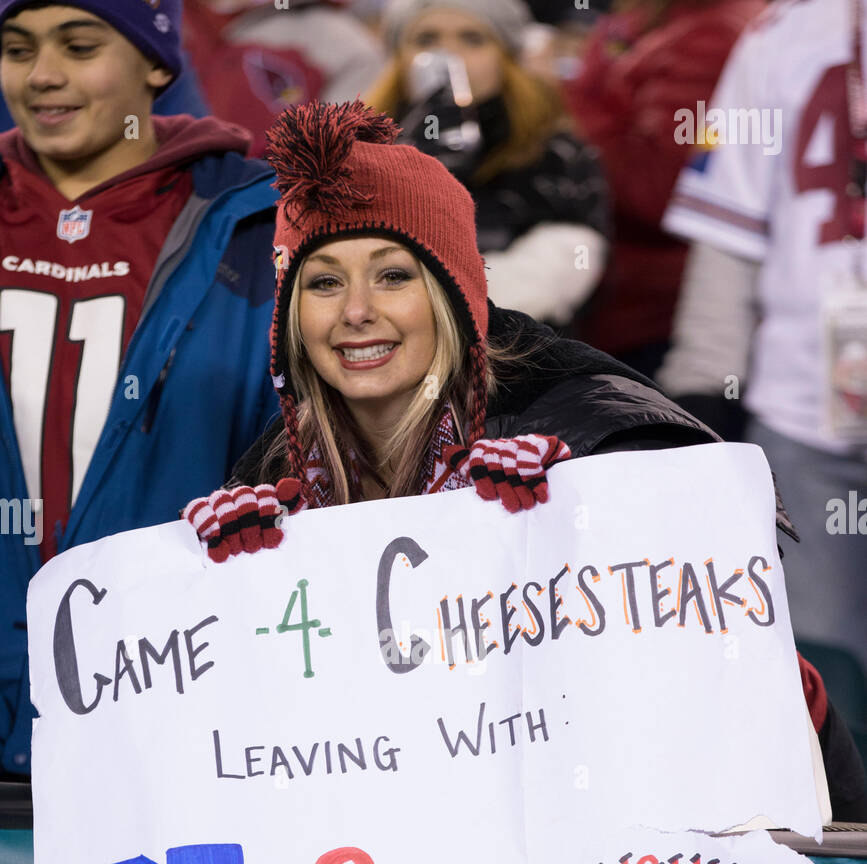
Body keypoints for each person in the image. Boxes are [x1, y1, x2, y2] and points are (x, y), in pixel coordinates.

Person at [182, 99, 867, 820]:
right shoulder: (271, 484)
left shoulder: (601, 443)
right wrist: (228, 595)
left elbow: (753, 689)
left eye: (392, 276)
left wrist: (581, 526)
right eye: (323, 282)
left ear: (454, 293)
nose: (355, 311)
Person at [0, 0, 280, 777]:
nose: (42, 75)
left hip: (169, 712)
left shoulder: (260, 224)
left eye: (79, 45)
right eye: (17, 49)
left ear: (157, 62)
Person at [658, 0, 867, 697]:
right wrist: (699, 392)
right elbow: (727, 236)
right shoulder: (782, 33)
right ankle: (847, 812)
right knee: (817, 673)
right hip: (802, 407)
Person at [364, 0, 608, 328]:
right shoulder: (365, 150)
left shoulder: (553, 152)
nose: (449, 55)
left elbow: (552, 278)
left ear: (506, 55)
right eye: (426, 40)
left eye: (472, 39)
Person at [566, 0, 764, 375]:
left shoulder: (713, 34)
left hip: (652, 322)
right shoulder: (647, 17)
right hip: (617, 308)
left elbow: (661, 192)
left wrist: (567, 103)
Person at [183, 0, 386, 158]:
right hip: (188, 199)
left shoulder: (342, 44)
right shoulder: (173, 24)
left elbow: (339, 156)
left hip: (277, 203)